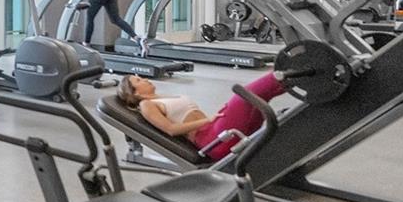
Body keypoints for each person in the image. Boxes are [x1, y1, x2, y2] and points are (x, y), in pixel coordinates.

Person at [116, 72, 287, 159]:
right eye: (138, 81)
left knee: (260, 98)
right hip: (213, 140)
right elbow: (172, 130)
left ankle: (293, 77)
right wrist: (209, 120)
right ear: (135, 93)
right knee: (243, 94)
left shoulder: (163, 97)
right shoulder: (146, 105)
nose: (144, 79)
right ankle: (284, 72)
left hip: (216, 130)